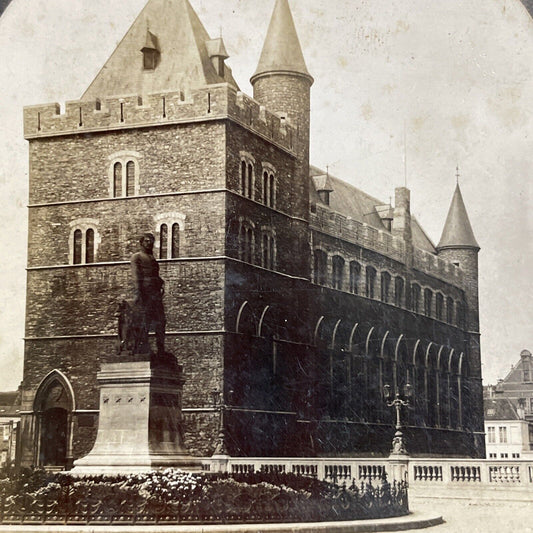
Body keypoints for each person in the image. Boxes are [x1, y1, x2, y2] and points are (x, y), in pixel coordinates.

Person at [130, 233, 166, 355]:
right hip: (145, 292)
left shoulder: (152, 258)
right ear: (141, 243)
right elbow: (136, 276)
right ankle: (142, 346)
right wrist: (138, 292)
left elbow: (155, 274)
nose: (149, 243)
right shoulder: (137, 257)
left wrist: (160, 282)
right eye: (146, 241)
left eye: (151, 241)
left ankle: (161, 348)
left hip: (155, 293)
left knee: (161, 321)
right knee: (145, 320)